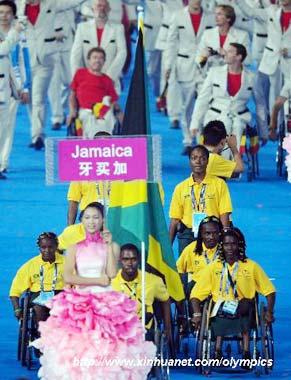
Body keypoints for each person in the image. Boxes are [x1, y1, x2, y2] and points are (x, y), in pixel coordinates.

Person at [33, 202, 155, 379]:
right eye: (87, 217)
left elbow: (112, 273)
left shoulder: (112, 246)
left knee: (108, 345)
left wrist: (110, 246)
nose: (92, 222)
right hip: (80, 301)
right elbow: (68, 276)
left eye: (96, 217)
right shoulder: (74, 248)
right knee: (80, 345)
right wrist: (96, 280)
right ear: (81, 220)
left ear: (103, 220)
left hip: (106, 301)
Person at [190, 228, 276, 361]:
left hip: (244, 307)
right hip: (220, 308)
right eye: (226, 244)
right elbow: (196, 295)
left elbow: (270, 291)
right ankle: (217, 351)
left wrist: (269, 312)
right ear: (221, 246)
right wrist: (197, 314)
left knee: (244, 308)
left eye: (233, 244)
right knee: (220, 313)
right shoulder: (213, 268)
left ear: (239, 245)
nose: (230, 247)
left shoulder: (251, 266)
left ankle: (247, 352)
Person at [16, 0, 89, 150]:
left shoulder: (51, 4)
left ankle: (37, 136)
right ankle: (36, 130)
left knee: (38, 98)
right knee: (30, 99)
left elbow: (71, 3)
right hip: (24, 61)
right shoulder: (17, 6)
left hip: (45, 59)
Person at [164, 0, 215, 154]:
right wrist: (168, 65)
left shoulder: (210, 17)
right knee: (186, 105)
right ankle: (187, 140)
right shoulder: (177, 16)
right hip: (183, 65)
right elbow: (171, 42)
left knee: (203, 104)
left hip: (205, 67)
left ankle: (202, 139)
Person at [190, 43, 255, 156]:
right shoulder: (214, 73)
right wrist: (195, 123)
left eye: (229, 51)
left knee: (238, 126)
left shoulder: (252, 77)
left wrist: (264, 131)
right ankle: (225, 166)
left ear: (239, 57)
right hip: (216, 115)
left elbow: (261, 105)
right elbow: (202, 99)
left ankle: (235, 164)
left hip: (240, 117)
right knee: (225, 124)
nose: (224, 53)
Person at [169, 144, 232, 254]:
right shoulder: (180, 188)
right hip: (188, 235)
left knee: (213, 268)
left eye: (202, 158)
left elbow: (224, 213)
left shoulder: (220, 184)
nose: (198, 161)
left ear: (207, 161)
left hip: (212, 233)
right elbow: (175, 219)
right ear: (189, 161)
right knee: (186, 270)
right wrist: (167, 246)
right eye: (194, 158)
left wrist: (225, 237)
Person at [112, 243, 172, 344]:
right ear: (119, 260)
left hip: (143, 328)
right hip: (118, 329)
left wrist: (168, 328)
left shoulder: (153, 281)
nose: (130, 263)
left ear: (139, 260)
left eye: (133, 259)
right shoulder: (111, 283)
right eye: (125, 259)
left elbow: (166, 300)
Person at [9, 232, 64, 325]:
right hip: (39, 295)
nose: (47, 250)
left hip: (62, 294)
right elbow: (15, 290)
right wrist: (17, 309)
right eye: (43, 247)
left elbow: (78, 285)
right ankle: (42, 333)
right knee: (39, 309)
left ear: (56, 247)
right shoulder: (30, 265)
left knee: (64, 308)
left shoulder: (68, 263)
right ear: (39, 248)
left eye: (51, 247)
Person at [70, 0, 126, 91]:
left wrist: (109, 77)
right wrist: (77, 79)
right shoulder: (82, 28)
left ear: (109, 9)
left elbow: (122, 54)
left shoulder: (118, 28)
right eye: (99, 6)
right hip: (87, 82)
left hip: (110, 82)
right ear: (92, 9)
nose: (101, 9)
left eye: (104, 6)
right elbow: (75, 56)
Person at [68, 47, 119, 138]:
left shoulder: (107, 80)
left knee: (106, 118)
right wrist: (72, 111)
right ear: (88, 60)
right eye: (94, 57)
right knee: (90, 120)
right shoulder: (80, 74)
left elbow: (113, 102)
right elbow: (72, 96)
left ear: (104, 61)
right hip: (85, 111)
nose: (97, 60)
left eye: (100, 58)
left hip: (103, 111)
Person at [177, 215, 222, 296]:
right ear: (201, 234)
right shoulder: (192, 248)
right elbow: (178, 269)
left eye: (215, 233)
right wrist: (182, 287)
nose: (211, 237)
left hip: (219, 287)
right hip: (197, 288)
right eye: (207, 233)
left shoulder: (226, 249)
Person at [195, 4, 251, 70]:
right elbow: (198, 61)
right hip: (211, 76)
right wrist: (203, 57)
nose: (215, 17)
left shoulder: (242, 36)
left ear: (228, 18)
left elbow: (247, 61)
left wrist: (226, 55)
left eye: (219, 14)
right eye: (215, 14)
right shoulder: (207, 34)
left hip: (230, 74)